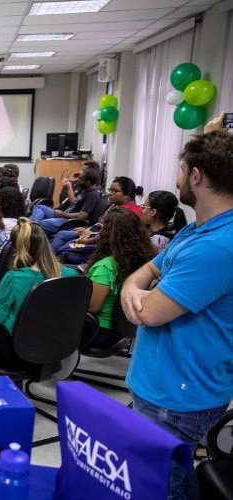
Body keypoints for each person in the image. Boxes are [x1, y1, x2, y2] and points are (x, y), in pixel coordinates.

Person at [120, 130, 232, 500]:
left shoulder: (217, 245)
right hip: (162, 385)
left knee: (161, 488)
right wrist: (131, 287)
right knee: (164, 479)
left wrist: (136, 292)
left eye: (182, 169)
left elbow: (148, 313)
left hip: (177, 397)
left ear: (197, 176)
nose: (178, 178)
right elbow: (146, 271)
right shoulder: (197, 230)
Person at [0, 219, 77, 367]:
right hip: (54, 344)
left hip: (16, 351)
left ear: (16, 250)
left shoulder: (14, 278)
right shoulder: (72, 275)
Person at [85, 208, 154, 348]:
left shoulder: (105, 267)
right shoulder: (142, 262)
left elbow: (92, 308)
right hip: (121, 331)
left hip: (98, 332)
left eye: (103, 228)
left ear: (108, 233)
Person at [51, 176, 142, 263]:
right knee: (62, 239)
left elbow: (109, 236)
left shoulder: (126, 213)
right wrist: (89, 231)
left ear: (127, 195)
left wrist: (87, 240)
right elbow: (104, 226)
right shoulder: (117, 206)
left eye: (115, 191)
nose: (109, 193)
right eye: (110, 190)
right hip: (96, 234)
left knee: (64, 248)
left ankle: (49, 264)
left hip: (105, 247)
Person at [30, 167, 102, 234]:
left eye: (80, 179)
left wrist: (62, 214)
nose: (78, 180)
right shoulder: (84, 188)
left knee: (39, 224)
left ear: (88, 182)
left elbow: (82, 216)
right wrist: (70, 184)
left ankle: (32, 226)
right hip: (65, 215)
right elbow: (74, 202)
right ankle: (33, 223)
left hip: (69, 221)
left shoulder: (92, 195)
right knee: (40, 207)